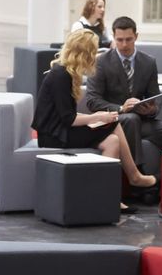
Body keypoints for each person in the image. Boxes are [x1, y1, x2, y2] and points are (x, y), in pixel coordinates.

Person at [33, 28, 155, 200]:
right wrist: (98, 117)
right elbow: (69, 119)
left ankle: (109, 198)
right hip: (54, 135)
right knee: (112, 123)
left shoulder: (66, 72)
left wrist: (98, 117)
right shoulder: (61, 75)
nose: (95, 56)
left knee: (112, 141)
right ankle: (134, 176)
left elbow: (67, 115)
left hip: (61, 130)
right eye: (93, 51)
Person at [84, 16, 162, 176]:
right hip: (110, 120)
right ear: (114, 37)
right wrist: (121, 108)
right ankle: (137, 175)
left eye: (128, 39)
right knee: (131, 119)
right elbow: (92, 101)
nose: (124, 44)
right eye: (120, 40)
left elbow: (155, 97)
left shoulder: (148, 62)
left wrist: (151, 110)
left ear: (136, 37)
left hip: (140, 120)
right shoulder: (100, 62)